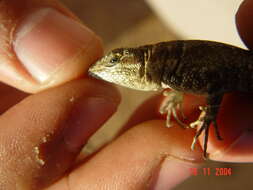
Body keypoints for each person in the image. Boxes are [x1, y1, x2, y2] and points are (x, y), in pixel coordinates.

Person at [0, 0, 252, 189]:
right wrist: (177, 96)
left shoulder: (171, 75)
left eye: (115, 60)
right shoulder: (171, 77)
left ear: (139, 62)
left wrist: (209, 116)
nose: (108, 67)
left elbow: (215, 84)